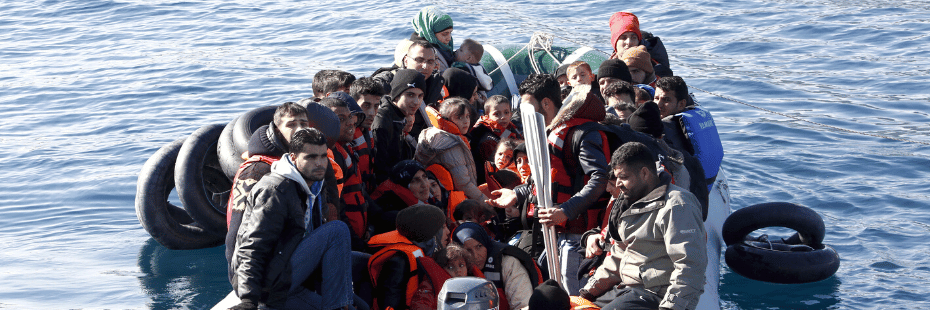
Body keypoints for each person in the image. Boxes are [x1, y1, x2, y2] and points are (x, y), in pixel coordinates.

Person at [489, 81, 611, 294]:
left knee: (572, 294)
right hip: (555, 232)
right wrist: (516, 194)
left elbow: (600, 178)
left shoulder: (581, 134)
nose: (523, 114)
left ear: (546, 103)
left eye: (528, 106)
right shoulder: (551, 133)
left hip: (578, 235)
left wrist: (565, 211)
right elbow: (544, 182)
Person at [229, 128, 355, 310]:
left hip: (292, 269)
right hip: (272, 285)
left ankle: (342, 304)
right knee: (337, 230)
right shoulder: (275, 191)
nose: (320, 163)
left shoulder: (315, 184)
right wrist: (249, 300)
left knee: (363, 266)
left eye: (322, 156)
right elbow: (252, 246)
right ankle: (337, 307)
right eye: (311, 157)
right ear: (294, 158)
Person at [578, 142, 706, 310]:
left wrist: (671, 306)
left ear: (644, 173)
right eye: (616, 178)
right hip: (626, 289)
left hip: (656, 295)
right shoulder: (627, 204)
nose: (617, 184)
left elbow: (690, 266)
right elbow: (618, 255)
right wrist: (588, 291)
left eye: (623, 177)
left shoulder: (677, 205)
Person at [225, 102, 341, 283]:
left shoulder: (308, 163)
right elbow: (237, 230)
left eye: (303, 123)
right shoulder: (257, 170)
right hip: (271, 273)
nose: (299, 129)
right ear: (277, 131)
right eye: (291, 124)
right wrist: (242, 282)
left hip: (300, 256)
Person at [368, 204, 451, 310]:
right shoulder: (399, 263)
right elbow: (389, 304)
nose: (448, 232)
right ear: (430, 233)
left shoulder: (430, 254)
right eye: (443, 227)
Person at [453, 222, 542, 310]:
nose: (476, 256)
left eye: (479, 246)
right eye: (468, 251)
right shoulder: (454, 267)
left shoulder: (508, 263)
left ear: (485, 243)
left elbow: (523, 305)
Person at [416, 98, 488, 203]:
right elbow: (463, 185)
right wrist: (487, 203)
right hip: (456, 202)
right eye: (459, 117)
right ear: (446, 119)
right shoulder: (450, 145)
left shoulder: (444, 135)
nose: (466, 121)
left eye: (467, 116)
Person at [371, 69, 425, 184]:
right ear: (396, 96)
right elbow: (380, 171)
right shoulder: (382, 122)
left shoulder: (399, 116)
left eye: (420, 96)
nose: (416, 102)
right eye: (410, 95)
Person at [471, 95, 523, 184]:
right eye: (497, 114)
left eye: (506, 112)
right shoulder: (488, 140)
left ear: (511, 113)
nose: (503, 117)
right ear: (487, 116)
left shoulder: (508, 129)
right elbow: (498, 169)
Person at [370, 160, 433, 234]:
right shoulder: (394, 217)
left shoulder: (420, 204)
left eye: (424, 177)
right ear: (403, 185)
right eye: (415, 181)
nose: (424, 184)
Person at [607, 12, 673, 77]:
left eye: (634, 38)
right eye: (624, 38)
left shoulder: (656, 70)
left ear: (639, 41)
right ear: (614, 42)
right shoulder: (608, 66)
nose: (629, 42)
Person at [349, 77, 385, 192]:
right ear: (353, 104)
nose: (371, 113)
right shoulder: (346, 136)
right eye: (366, 105)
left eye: (376, 106)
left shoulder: (367, 131)